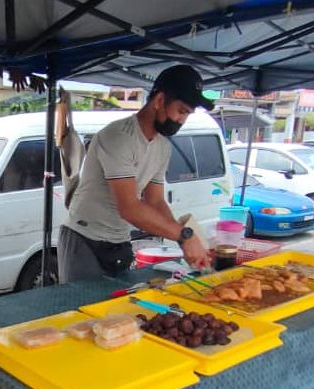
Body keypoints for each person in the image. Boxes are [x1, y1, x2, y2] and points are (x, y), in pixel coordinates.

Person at [59, 65, 212, 283]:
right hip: (84, 239)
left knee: (122, 304)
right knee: (82, 305)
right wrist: (184, 235)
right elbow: (129, 208)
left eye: (187, 114)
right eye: (181, 111)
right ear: (160, 100)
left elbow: (155, 201)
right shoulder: (118, 137)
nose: (182, 120)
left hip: (119, 241)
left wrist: (184, 242)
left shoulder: (162, 147)